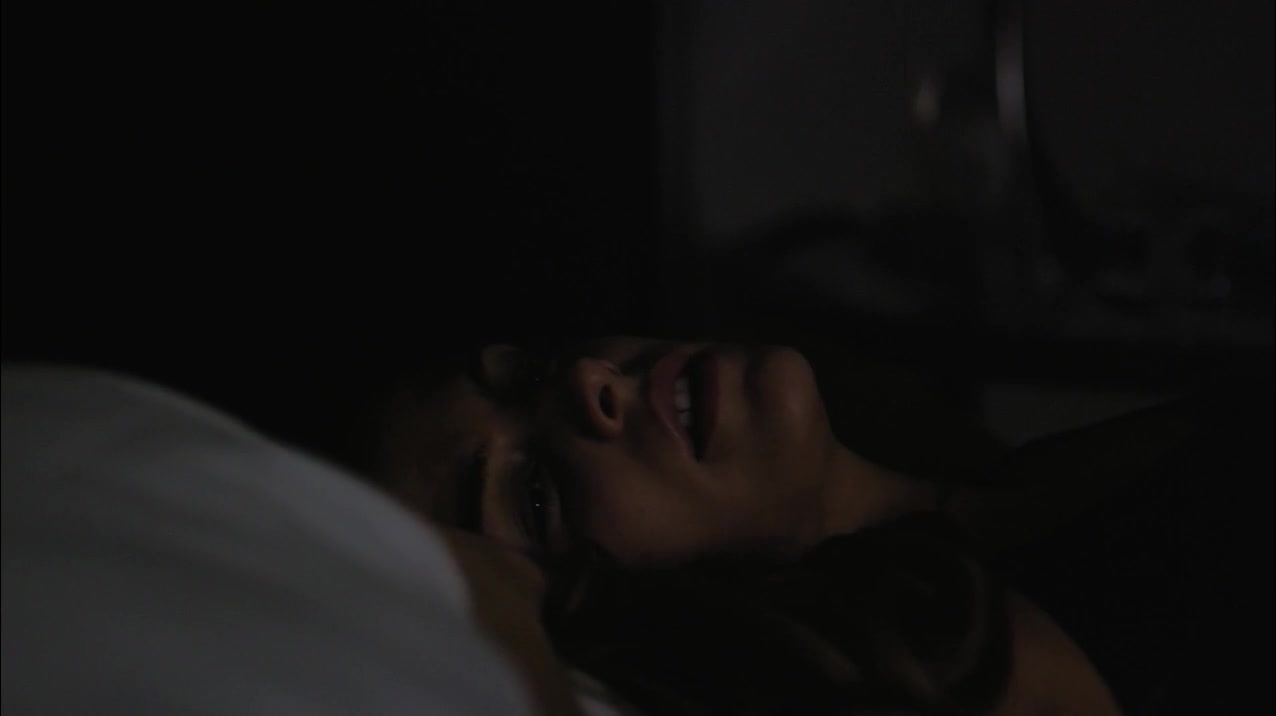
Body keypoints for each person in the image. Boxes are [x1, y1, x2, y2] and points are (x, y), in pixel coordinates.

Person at [303, 333, 1270, 714]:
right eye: (535, 497)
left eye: (527, 374)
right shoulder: (987, 675)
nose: (588, 381)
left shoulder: (999, 495)